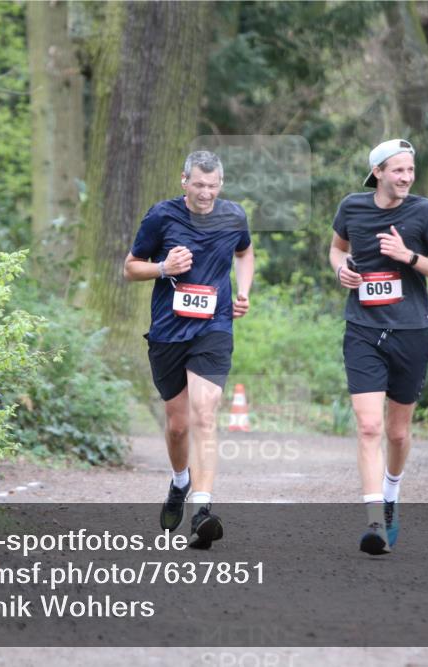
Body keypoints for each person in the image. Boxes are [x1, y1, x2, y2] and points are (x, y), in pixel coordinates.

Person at [330, 139, 428, 555]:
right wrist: (341, 270)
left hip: (410, 332)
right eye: (398, 170)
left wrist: (409, 256)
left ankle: (391, 494)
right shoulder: (352, 207)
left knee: (398, 432)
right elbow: (336, 248)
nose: (406, 178)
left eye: (410, 171)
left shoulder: (424, 212)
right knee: (369, 427)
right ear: (378, 172)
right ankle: (373, 523)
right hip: (363, 328)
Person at [123, 151, 254, 550]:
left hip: (213, 329)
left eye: (213, 186)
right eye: (199, 185)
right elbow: (131, 267)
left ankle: (202, 509)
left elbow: (244, 252)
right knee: (177, 423)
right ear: (184, 181)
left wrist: (244, 290)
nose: (206, 193)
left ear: (221, 185)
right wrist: (163, 267)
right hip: (167, 332)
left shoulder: (234, 216)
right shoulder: (161, 216)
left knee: (204, 411)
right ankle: (181, 482)